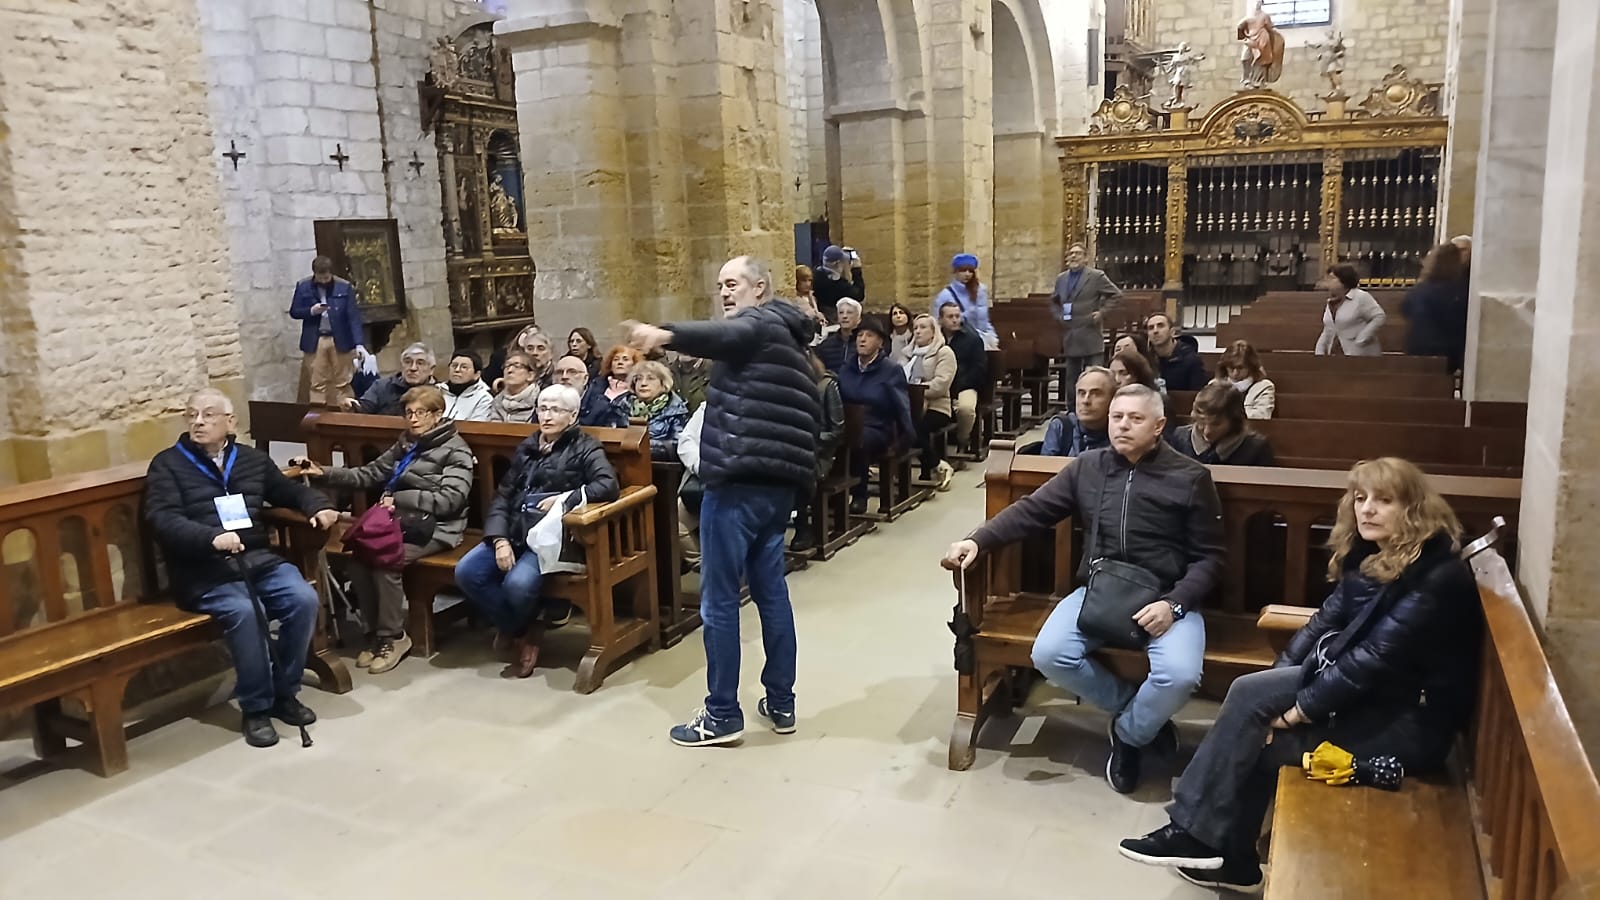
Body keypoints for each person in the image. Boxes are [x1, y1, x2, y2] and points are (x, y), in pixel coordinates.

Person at [1118, 458, 1481, 893]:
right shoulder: (1375, 556)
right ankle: (1215, 846)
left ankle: (1213, 845)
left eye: (1384, 501)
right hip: (1379, 695)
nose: (1367, 510)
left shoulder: (1435, 577)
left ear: (1415, 509)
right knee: (1251, 700)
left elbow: (1371, 659)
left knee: (1269, 740)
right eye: (1361, 498)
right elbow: (1321, 626)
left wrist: (1295, 713)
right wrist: (1279, 681)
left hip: (1413, 721)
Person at [945, 384, 1225, 794]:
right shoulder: (1088, 467)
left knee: (1179, 675)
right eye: (1117, 417)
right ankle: (1139, 721)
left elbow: (1211, 558)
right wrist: (978, 540)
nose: (1123, 426)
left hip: (1167, 596)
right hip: (1101, 590)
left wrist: (1174, 604)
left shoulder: (1190, 477)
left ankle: (1128, 738)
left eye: (1135, 418)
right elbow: (1032, 510)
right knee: (1050, 653)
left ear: (1159, 425)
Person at [625, 255, 820, 748]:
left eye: (732, 284)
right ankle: (781, 702)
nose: (725, 293)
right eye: (720, 286)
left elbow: (724, 336)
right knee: (771, 593)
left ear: (760, 289)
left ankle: (721, 714)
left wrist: (664, 334)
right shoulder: (789, 340)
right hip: (776, 486)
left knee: (719, 602)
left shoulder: (759, 323)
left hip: (737, 485)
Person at [144, 388, 341, 747]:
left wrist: (318, 506)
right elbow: (163, 519)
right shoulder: (167, 464)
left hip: (257, 561)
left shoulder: (250, 460)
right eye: (192, 415)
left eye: (207, 415)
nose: (198, 422)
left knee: (302, 599)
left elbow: (288, 491)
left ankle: (285, 692)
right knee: (247, 612)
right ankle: (257, 707)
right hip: (205, 570)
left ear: (230, 422)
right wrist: (210, 537)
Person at [296, 386, 473, 674]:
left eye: (421, 413)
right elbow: (370, 473)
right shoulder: (406, 444)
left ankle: (394, 637)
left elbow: (449, 500)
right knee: (358, 560)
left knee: (385, 562)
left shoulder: (455, 450)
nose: (413, 419)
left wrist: (399, 499)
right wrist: (323, 472)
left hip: (437, 528)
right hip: (399, 522)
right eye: (409, 413)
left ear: (438, 415)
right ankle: (375, 634)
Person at [454, 384, 620, 678]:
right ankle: (522, 629)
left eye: (556, 409)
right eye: (543, 408)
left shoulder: (585, 446)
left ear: (572, 415)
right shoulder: (528, 447)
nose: (547, 415)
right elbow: (503, 496)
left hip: (551, 539)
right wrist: (500, 539)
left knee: (516, 584)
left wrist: (565, 498)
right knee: (467, 572)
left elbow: (607, 485)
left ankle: (519, 628)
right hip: (515, 530)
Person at [838, 316, 916, 515]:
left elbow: (902, 407)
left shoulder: (891, 371)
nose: (862, 339)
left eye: (869, 336)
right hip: (847, 424)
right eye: (860, 335)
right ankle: (833, 496)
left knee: (859, 440)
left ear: (880, 342)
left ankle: (859, 495)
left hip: (879, 428)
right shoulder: (847, 368)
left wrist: (905, 439)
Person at [289, 256, 366, 408]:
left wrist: (359, 344)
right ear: (314, 274)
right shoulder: (303, 286)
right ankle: (319, 417)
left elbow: (353, 317)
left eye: (326, 277)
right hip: (316, 338)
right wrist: (311, 311)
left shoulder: (344, 287)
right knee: (317, 382)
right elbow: (294, 312)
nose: (324, 281)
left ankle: (347, 415)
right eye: (320, 277)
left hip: (340, 339)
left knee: (343, 381)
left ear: (331, 273)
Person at [790, 348, 844, 554]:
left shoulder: (826, 385)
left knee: (798, 471)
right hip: (793, 450)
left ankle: (802, 527)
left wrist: (810, 442)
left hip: (820, 453)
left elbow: (837, 429)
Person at [1052, 243, 1123, 398]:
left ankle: (1099, 406)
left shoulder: (1096, 276)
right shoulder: (1061, 279)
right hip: (1071, 332)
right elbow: (1054, 301)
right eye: (1071, 253)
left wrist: (1102, 313)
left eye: (1078, 253)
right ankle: (1072, 408)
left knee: (1095, 376)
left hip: (1090, 330)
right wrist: (1059, 316)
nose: (1073, 256)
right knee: (1072, 378)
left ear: (1085, 258)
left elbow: (1116, 294)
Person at [904, 313, 958, 490]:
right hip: (910, 406)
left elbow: (940, 385)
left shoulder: (944, 352)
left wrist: (915, 391)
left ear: (934, 332)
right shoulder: (907, 354)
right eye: (916, 328)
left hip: (937, 407)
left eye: (923, 327)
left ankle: (937, 466)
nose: (918, 331)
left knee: (915, 429)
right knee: (903, 425)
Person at [1170, 382, 1277, 466]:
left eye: (1216, 424)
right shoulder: (1180, 437)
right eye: (1202, 422)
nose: (1207, 432)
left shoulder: (1256, 447)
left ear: (1233, 421)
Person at [1401, 242, 1469, 373]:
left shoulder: (1422, 289)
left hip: (1418, 347)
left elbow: (1406, 309)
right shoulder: (1462, 290)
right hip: (1450, 350)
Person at [940, 300, 987, 451]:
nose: (955, 320)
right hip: (941, 384)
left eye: (957, 316)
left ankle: (962, 439)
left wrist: (959, 387)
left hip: (965, 385)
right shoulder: (936, 338)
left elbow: (979, 369)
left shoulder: (972, 339)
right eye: (950, 317)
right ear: (941, 319)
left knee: (965, 409)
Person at [344, 343, 441, 415]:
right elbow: (364, 408)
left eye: (420, 363)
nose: (413, 368)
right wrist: (352, 406)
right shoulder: (382, 386)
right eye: (408, 362)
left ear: (431, 369)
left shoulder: (440, 392)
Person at [1040, 367, 1114, 458]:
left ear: (1113, 399)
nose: (1086, 401)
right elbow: (1044, 468)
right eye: (1081, 393)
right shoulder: (1062, 427)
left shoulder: (1121, 432)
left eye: (1095, 394)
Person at [1315, 264, 1386, 356]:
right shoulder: (1332, 302)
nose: (1328, 282)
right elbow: (1329, 328)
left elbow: (1379, 316)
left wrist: (1362, 339)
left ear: (1344, 280)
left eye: (1332, 278)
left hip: (1361, 354)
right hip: (1335, 354)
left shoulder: (1360, 297)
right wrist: (1319, 350)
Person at [628, 360, 690, 461]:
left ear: (663, 384)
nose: (643, 383)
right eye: (638, 379)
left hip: (660, 470)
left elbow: (678, 445)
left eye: (650, 379)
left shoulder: (676, 411)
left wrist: (642, 446)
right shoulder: (620, 407)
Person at [932, 254, 998, 348]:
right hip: (957, 339)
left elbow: (984, 320)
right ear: (955, 272)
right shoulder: (945, 296)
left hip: (982, 337)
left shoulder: (980, 291)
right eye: (963, 270)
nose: (967, 274)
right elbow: (937, 322)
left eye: (970, 271)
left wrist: (990, 337)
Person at [553, 353, 628, 428]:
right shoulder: (545, 403)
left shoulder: (603, 408)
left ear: (585, 379)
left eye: (572, 372)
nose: (564, 377)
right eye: (559, 372)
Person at [1213, 339, 1275, 419]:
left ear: (1251, 367)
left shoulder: (1264, 387)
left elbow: (1262, 416)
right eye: (1231, 368)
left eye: (1240, 368)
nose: (1235, 373)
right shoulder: (1214, 385)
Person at [1146, 312, 1207, 391]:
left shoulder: (1191, 360)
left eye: (1160, 326)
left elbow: (1197, 393)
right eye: (1151, 328)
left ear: (1172, 332)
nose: (1155, 331)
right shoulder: (1146, 359)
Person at [813, 244, 865, 324]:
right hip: (833, 321)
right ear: (837, 263)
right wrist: (856, 270)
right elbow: (859, 295)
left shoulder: (816, 275)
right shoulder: (839, 286)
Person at [441, 349, 495, 422]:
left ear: (477, 374)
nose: (457, 370)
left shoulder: (484, 397)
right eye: (454, 366)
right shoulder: (437, 391)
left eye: (464, 367)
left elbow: (476, 426)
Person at [491, 351, 542, 424]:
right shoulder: (496, 402)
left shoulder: (539, 402)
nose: (510, 370)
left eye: (517, 366)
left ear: (531, 376)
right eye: (507, 366)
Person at [817, 297, 862, 373]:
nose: (844, 316)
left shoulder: (864, 343)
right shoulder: (826, 345)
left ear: (859, 319)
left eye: (849, 312)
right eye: (841, 313)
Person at [792, 264, 828, 331]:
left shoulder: (812, 297)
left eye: (809, 280)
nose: (808, 284)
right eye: (804, 281)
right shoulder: (794, 299)